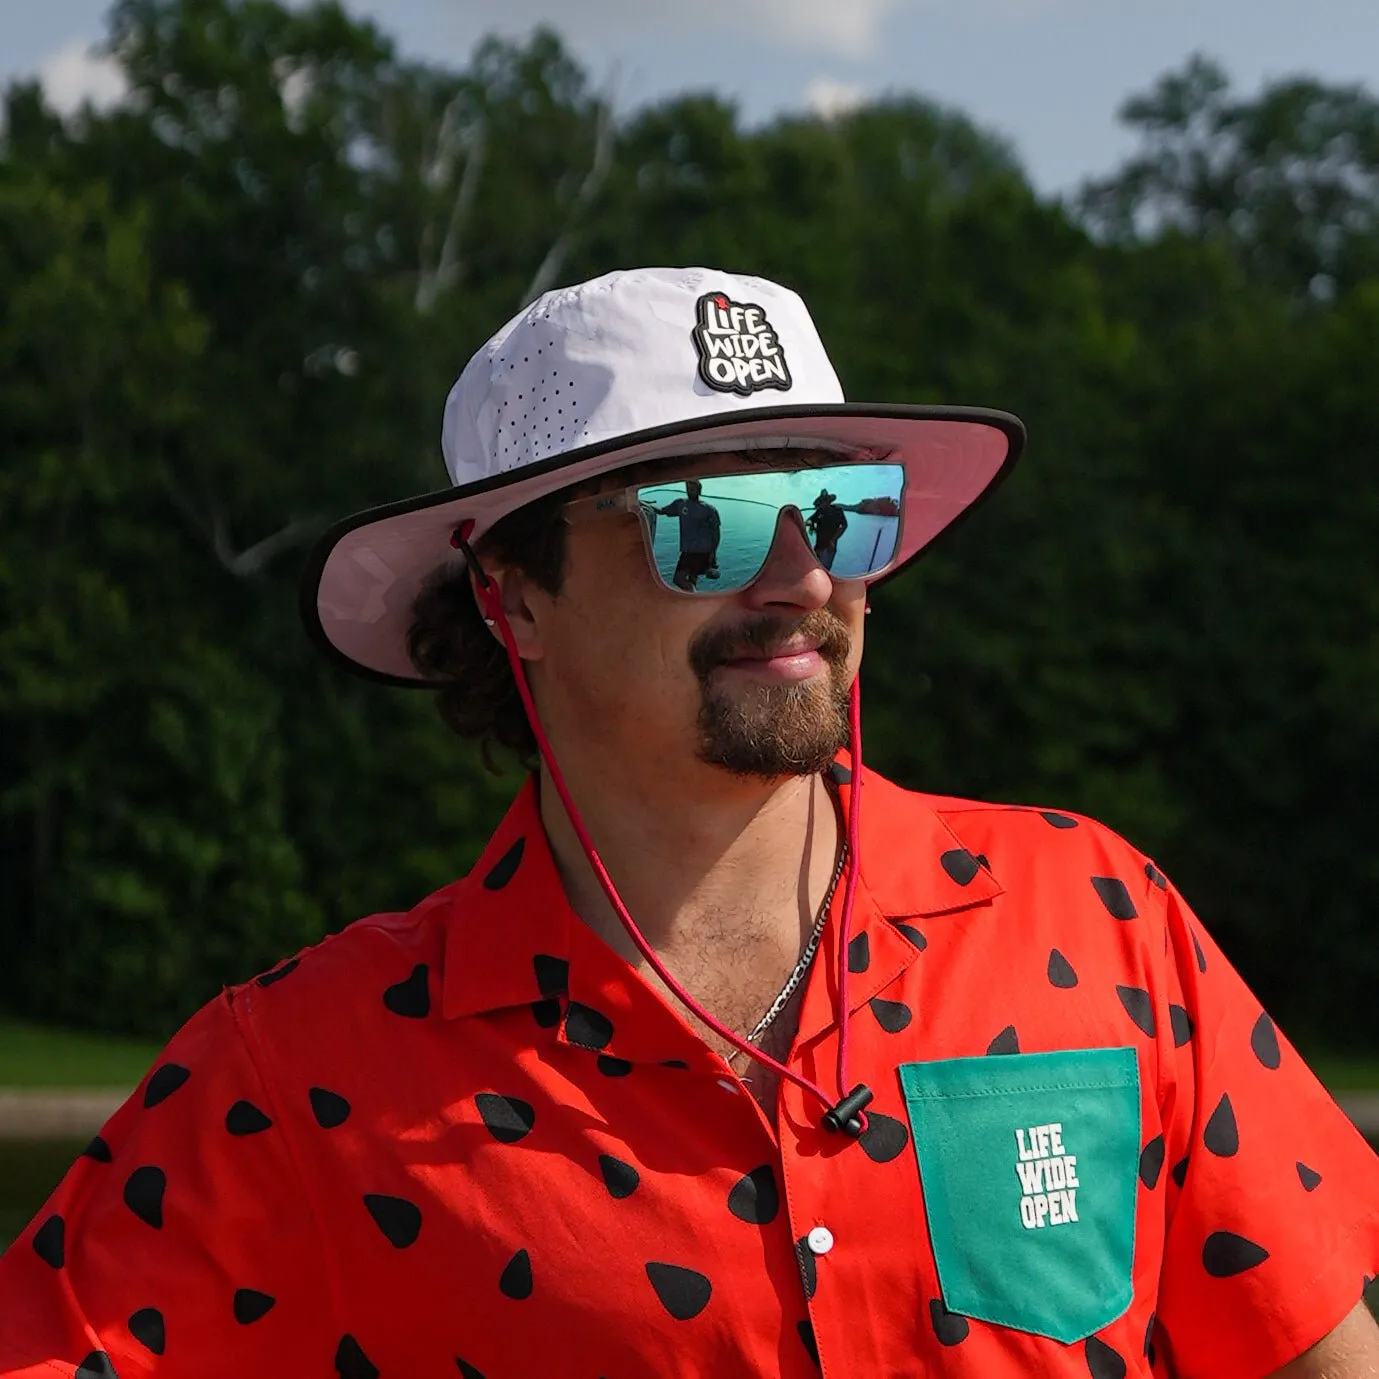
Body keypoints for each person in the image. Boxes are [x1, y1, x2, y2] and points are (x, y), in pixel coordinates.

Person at [1, 266, 1376, 1379]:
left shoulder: (1099, 914)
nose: (799, 572)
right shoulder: (296, 1079)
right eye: (705, 521)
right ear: (513, 597)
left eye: (837, 507)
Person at [654, 478, 721, 589]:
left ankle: (694, 598)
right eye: (688, 488)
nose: (690, 491)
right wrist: (642, 504)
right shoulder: (680, 503)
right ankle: (694, 598)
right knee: (691, 579)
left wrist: (713, 553)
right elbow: (662, 510)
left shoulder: (709, 509)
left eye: (693, 488)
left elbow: (716, 533)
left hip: (701, 552)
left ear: (699, 490)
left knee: (678, 579)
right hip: (688, 550)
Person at [805, 489, 847, 570]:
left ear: (829, 501)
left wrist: (833, 539)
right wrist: (806, 523)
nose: (823, 504)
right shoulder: (819, 512)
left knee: (824, 570)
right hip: (818, 546)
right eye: (821, 502)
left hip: (829, 548)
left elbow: (844, 525)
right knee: (815, 568)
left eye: (825, 501)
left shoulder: (837, 511)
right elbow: (810, 520)